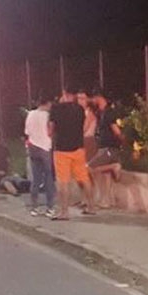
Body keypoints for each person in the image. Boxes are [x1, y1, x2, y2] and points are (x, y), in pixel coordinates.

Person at [48, 87, 95, 219]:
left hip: (61, 149)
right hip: (78, 148)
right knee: (84, 179)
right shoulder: (79, 109)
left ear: (64, 93)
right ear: (75, 95)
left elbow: (50, 130)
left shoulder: (56, 108)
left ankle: (64, 212)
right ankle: (91, 207)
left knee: (63, 181)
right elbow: (82, 127)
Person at [87, 91, 123, 208]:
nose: (92, 101)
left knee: (89, 168)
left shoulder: (109, 112)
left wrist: (122, 141)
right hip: (103, 147)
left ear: (99, 97)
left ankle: (114, 166)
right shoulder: (101, 112)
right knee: (106, 174)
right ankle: (107, 201)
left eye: (93, 98)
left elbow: (116, 130)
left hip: (109, 147)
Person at [25, 95, 56, 216]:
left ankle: (34, 207)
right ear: (48, 103)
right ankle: (50, 207)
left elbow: (27, 131)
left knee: (36, 178)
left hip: (33, 146)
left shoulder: (30, 114)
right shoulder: (48, 116)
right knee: (48, 177)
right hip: (45, 147)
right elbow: (50, 131)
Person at [77, 88, 98, 162]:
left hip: (88, 140)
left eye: (82, 98)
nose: (80, 101)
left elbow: (84, 128)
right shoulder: (79, 112)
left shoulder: (90, 112)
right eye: (79, 98)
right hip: (81, 141)